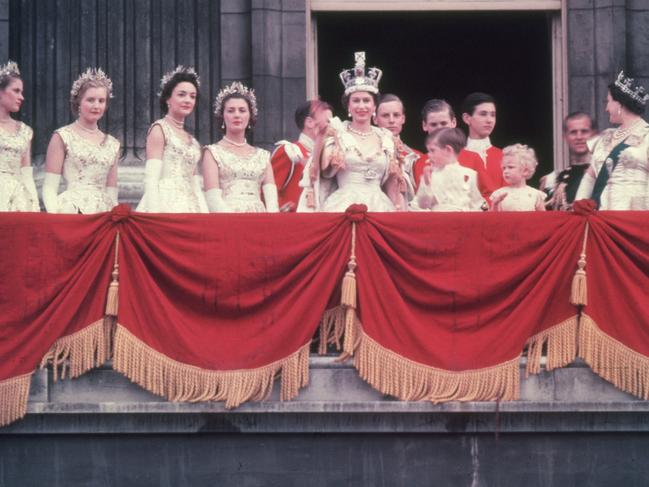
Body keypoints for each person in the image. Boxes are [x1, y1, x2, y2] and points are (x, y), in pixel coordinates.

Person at [300, 52, 404, 212]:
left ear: (374, 106)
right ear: (348, 106)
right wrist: (321, 138)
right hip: (343, 206)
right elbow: (324, 173)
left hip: (380, 206)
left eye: (366, 100)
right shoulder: (337, 134)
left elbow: (391, 184)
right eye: (356, 100)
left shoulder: (386, 138)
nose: (361, 106)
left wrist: (398, 211)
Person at [42, 68, 120, 214]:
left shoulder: (113, 144)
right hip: (71, 212)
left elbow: (112, 193)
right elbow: (49, 188)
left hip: (104, 214)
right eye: (90, 100)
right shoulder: (62, 136)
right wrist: (54, 217)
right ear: (78, 102)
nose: (96, 106)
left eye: (101, 101)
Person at [136, 66, 207, 213]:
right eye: (182, 94)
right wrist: (154, 216)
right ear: (168, 98)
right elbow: (151, 178)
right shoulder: (159, 129)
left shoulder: (192, 141)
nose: (188, 100)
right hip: (165, 204)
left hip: (191, 205)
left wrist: (205, 214)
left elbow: (195, 184)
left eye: (192, 96)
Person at [575, 71, 649, 210]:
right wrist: (578, 206)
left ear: (620, 104)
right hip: (602, 219)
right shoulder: (605, 138)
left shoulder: (646, 136)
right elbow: (589, 179)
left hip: (633, 219)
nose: (606, 108)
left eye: (608, 101)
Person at [202, 81, 278, 213]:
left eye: (242, 110)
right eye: (231, 111)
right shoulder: (212, 152)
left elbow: (272, 201)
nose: (237, 115)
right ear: (222, 116)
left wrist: (271, 224)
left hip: (260, 220)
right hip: (227, 220)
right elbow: (212, 199)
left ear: (250, 116)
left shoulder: (263, 156)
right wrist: (235, 224)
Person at [270, 100, 333, 212]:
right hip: (294, 222)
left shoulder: (328, 155)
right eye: (328, 121)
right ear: (309, 122)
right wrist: (283, 207)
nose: (332, 126)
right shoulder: (289, 151)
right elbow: (270, 189)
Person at [415, 127, 484, 212]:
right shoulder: (429, 175)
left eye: (432, 150)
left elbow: (477, 204)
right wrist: (427, 183)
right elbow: (422, 205)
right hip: (437, 220)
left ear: (448, 149)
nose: (429, 155)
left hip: (463, 221)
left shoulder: (469, 175)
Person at [0, 61, 38, 212]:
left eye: (21, 92)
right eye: (16, 91)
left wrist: (34, 205)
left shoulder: (25, 131)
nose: (21, 97)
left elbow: (26, 174)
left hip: (19, 200)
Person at [541, 112, 596, 210]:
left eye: (584, 131)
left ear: (593, 134)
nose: (579, 137)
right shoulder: (554, 180)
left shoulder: (604, 174)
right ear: (565, 136)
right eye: (573, 132)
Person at [373, 93, 422, 202]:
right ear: (375, 119)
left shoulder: (416, 156)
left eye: (396, 115)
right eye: (385, 115)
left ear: (403, 119)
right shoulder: (368, 153)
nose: (391, 120)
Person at [457, 92, 505, 200]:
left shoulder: (505, 156)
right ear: (466, 118)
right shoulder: (455, 157)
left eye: (493, 115)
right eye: (483, 114)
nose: (489, 120)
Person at [412, 99, 458, 191]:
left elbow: (487, 194)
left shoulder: (473, 158)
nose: (439, 129)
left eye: (443, 123)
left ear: (453, 123)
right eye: (434, 124)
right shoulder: (419, 163)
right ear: (424, 125)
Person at [490, 144, 546, 211]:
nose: (505, 171)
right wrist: (495, 204)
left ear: (525, 171)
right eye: (504, 168)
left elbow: (543, 217)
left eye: (510, 167)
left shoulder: (535, 194)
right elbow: (493, 218)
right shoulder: (499, 194)